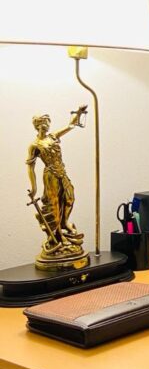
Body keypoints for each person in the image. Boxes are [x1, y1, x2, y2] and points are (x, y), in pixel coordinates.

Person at [27, 106, 88, 261]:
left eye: (48, 122)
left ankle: (65, 222)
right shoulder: (35, 145)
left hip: (62, 172)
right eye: (43, 123)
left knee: (69, 197)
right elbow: (30, 166)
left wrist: (78, 113)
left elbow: (70, 125)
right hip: (50, 175)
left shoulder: (53, 136)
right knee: (53, 205)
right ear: (37, 125)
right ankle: (58, 234)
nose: (46, 125)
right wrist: (34, 188)